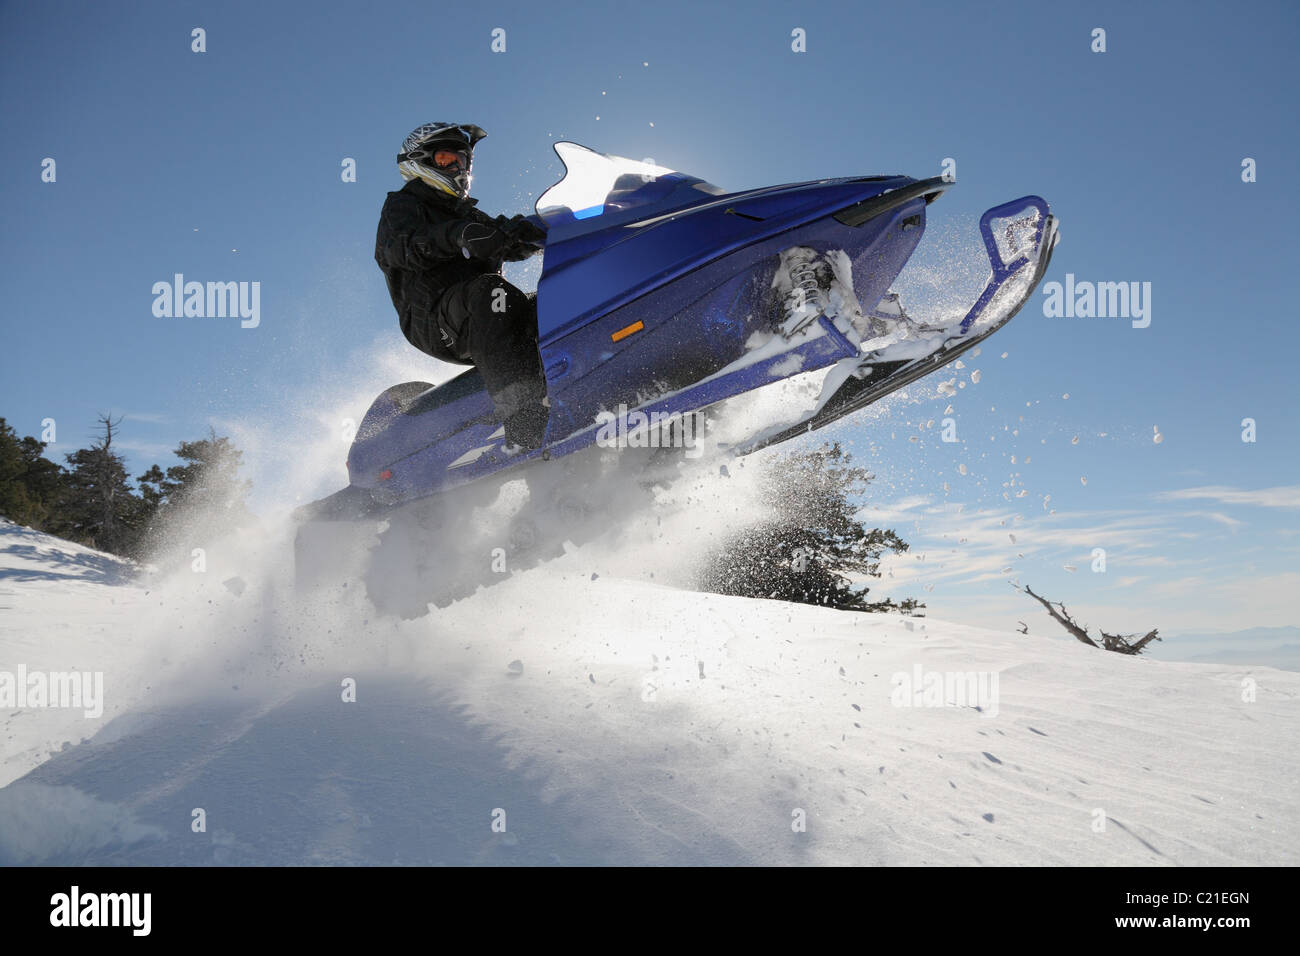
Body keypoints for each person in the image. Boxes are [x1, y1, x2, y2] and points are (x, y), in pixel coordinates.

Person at [374, 122, 550, 449]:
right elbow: (399, 247)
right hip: (434, 319)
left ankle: (583, 377)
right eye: (445, 159)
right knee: (491, 291)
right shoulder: (402, 207)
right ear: (420, 162)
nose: (457, 167)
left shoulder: (470, 216)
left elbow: (508, 237)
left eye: (462, 161)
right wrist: (457, 236)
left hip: (488, 312)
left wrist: (551, 226)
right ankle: (525, 422)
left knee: (551, 300)